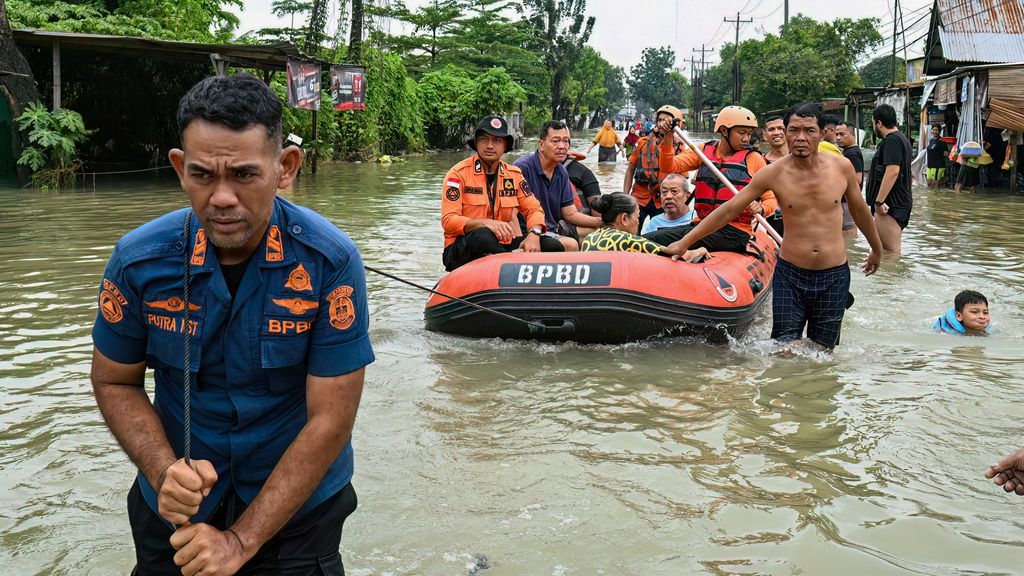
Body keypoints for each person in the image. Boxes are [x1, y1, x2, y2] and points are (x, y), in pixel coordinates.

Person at [90, 73, 374, 575]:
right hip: (176, 508)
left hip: (297, 514)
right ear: (180, 169)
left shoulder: (330, 262)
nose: (221, 197)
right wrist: (162, 471)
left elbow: (330, 420)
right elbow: (114, 380)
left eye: (244, 175)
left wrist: (241, 541)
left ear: (285, 168)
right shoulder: (138, 261)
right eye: (202, 175)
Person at [663, 102, 883, 351]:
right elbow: (729, 209)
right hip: (790, 274)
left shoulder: (841, 167)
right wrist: (684, 243)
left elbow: (860, 210)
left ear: (822, 134)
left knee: (823, 352)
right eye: (794, 130)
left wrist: (876, 249)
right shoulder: (773, 172)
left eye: (809, 130)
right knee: (783, 350)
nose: (801, 137)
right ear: (786, 132)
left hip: (834, 275)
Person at [645, 105, 778, 255]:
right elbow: (668, 167)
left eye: (749, 133)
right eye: (741, 133)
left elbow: (770, 199)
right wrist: (668, 138)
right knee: (651, 237)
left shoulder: (754, 159)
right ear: (724, 131)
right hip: (702, 226)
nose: (746, 139)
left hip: (734, 232)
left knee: (656, 240)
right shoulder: (703, 151)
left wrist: (761, 208)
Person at [442, 115, 563, 271]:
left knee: (552, 245)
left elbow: (534, 209)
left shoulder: (514, 175)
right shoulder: (458, 174)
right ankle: (511, 265)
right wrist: (486, 223)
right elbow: (449, 220)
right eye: (484, 139)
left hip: (500, 244)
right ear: (476, 143)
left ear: (505, 145)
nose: (489, 145)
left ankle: (516, 270)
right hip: (461, 247)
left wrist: (534, 233)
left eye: (497, 140)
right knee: (483, 236)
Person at [515, 121, 603, 248]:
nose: (562, 146)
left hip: (553, 230)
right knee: (571, 245)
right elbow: (510, 214)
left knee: (599, 234)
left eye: (565, 141)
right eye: (555, 141)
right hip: (529, 233)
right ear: (541, 144)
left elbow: (570, 214)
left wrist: (602, 222)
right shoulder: (522, 168)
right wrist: (518, 245)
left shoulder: (561, 172)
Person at [581, 193, 706, 260]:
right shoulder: (628, 240)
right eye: (637, 217)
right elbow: (672, 254)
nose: (638, 222)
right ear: (624, 219)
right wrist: (699, 250)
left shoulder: (589, 238)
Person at [623, 105, 684, 232]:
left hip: (663, 200)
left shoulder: (680, 147)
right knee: (630, 235)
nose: (662, 123)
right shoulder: (642, 142)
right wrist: (625, 196)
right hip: (639, 197)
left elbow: (683, 180)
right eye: (660, 120)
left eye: (666, 120)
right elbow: (630, 170)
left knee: (660, 237)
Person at [865, 103, 914, 255]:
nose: (874, 127)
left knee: (890, 254)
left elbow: (892, 171)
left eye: (873, 123)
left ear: (879, 123)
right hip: (897, 203)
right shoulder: (901, 139)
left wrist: (879, 202)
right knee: (887, 253)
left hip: (889, 206)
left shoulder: (892, 140)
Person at [836, 120, 865, 238]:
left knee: (848, 233)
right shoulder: (849, 152)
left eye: (842, 134)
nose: (838, 138)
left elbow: (857, 179)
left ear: (853, 135)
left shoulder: (852, 154)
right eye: (837, 134)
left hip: (847, 202)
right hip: (848, 201)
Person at [563, 150, 602, 215]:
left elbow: (596, 207)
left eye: (565, 144)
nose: (561, 146)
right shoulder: (544, 172)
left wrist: (597, 220)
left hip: (578, 218)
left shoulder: (583, 172)